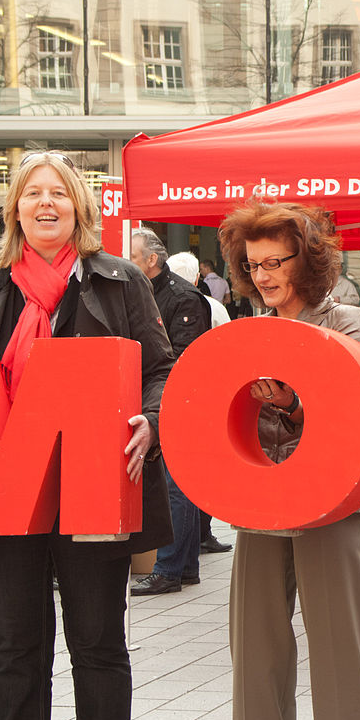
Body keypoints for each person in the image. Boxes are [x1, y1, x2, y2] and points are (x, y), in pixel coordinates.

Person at [0, 149, 175, 720]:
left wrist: (151, 420)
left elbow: (159, 368)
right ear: (14, 210)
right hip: (6, 491)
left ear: (78, 206)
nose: (45, 203)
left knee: (99, 649)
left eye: (58, 192)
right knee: (17, 654)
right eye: (32, 193)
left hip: (92, 488)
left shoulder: (120, 280)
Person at [220, 200, 360, 720]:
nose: (261, 274)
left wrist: (290, 402)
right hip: (260, 500)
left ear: (306, 261)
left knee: (342, 660)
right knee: (254, 662)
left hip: (331, 504)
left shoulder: (346, 321)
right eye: (252, 263)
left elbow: (358, 414)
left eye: (274, 262)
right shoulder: (246, 330)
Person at [128, 229, 213, 595]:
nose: (123, 264)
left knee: (175, 485)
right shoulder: (137, 290)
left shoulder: (183, 297)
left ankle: (168, 568)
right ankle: (185, 565)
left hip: (180, 399)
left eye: (131, 257)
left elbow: (184, 358)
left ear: (152, 260)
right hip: (156, 397)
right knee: (178, 485)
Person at [166, 251, 234, 556]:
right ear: (196, 278)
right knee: (202, 470)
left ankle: (195, 540)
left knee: (184, 477)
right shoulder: (214, 307)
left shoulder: (193, 305)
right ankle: (200, 537)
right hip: (211, 395)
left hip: (198, 398)